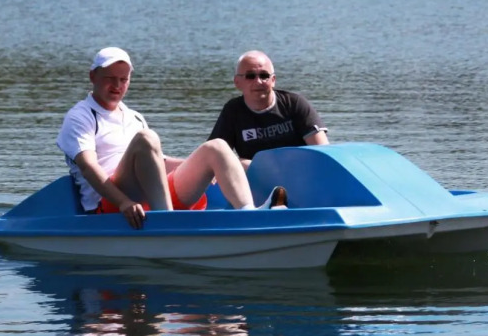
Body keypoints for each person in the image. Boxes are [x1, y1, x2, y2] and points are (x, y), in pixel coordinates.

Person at [56, 47, 287, 229]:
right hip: (111, 205)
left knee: (216, 148)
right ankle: (167, 223)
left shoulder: (134, 116)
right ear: (93, 76)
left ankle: (249, 214)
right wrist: (124, 202)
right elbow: (88, 167)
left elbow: (155, 161)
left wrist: (205, 167)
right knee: (147, 138)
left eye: (123, 79)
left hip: (151, 198)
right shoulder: (80, 116)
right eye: (110, 78)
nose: (117, 85)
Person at [208, 50, 329, 170]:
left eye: (264, 76)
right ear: (237, 82)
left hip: (298, 172)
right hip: (256, 176)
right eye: (250, 76)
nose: (258, 81)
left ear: (273, 80)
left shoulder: (295, 103)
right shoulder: (233, 111)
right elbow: (212, 155)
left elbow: (323, 153)